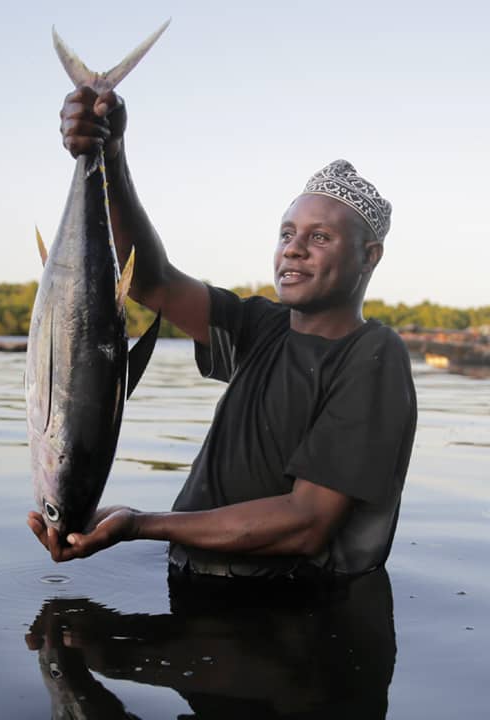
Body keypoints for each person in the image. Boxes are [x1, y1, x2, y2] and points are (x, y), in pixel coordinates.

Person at [28, 87, 417, 582]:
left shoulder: (374, 356)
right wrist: (111, 153)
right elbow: (152, 280)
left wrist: (142, 524)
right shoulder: (261, 326)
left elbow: (307, 524)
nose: (293, 250)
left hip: (295, 625)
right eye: (286, 233)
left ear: (369, 256)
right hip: (203, 603)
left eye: (319, 237)